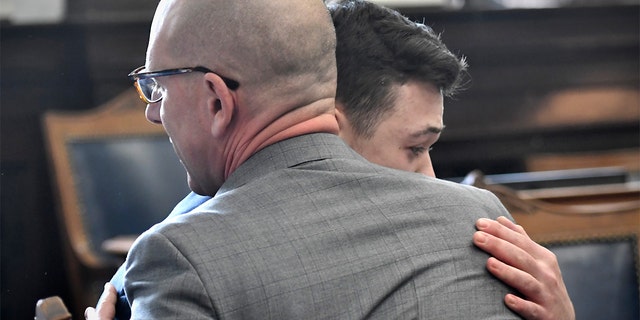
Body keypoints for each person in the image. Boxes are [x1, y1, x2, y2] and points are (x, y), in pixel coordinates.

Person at [86, 0, 573, 319]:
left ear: (217, 101)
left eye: (158, 87)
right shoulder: (477, 218)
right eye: (416, 147)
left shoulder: (177, 258)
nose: (153, 112)